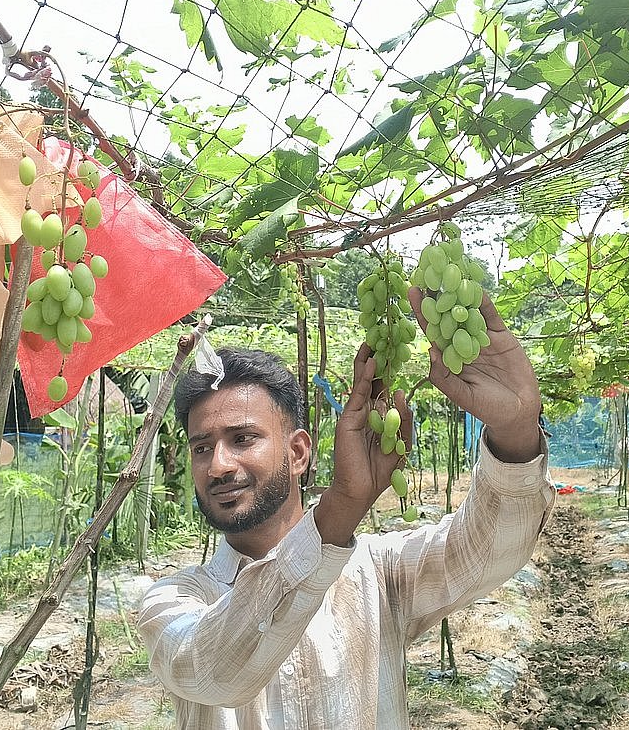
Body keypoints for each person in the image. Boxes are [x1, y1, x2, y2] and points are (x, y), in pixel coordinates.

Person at [137, 287, 554, 729]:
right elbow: (214, 672)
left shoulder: (377, 571)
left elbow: (491, 547)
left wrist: (515, 431)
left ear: (298, 453)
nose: (218, 465)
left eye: (242, 439)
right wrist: (340, 508)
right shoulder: (175, 600)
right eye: (202, 448)